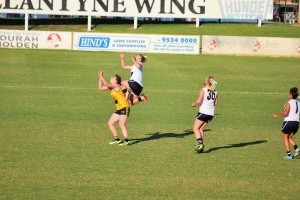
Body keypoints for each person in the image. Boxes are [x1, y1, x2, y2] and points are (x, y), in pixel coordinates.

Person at [98, 70, 130, 146]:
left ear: (116, 81)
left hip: (124, 107)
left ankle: (126, 140)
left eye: (113, 77)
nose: (111, 78)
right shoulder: (111, 87)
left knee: (121, 124)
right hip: (119, 109)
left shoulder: (117, 86)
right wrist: (100, 78)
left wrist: (102, 76)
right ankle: (117, 139)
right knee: (110, 123)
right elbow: (100, 88)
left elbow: (106, 83)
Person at [191, 76, 218, 153]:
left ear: (206, 82)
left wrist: (194, 104)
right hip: (211, 113)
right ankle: (201, 146)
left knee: (195, 128)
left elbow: (199, 101)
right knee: (200, 129)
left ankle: (200, 145)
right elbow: (216, 102)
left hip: (204, 112)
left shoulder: (203, 90)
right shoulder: (215, 91)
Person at [273, 87, 300, 160]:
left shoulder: (289, 102)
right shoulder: (298, 103)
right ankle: (297, 149)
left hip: (289, 122)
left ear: (291, 95)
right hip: (296, 123)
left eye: (289, 93)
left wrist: (277, 115)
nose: (288, 94)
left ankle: (289, 155)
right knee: (290, 137)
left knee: (285, 136)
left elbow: (285, 113)